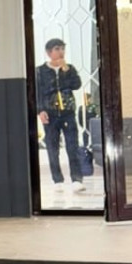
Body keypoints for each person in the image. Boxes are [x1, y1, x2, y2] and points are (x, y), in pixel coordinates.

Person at [36, 38, 85, 192]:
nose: (61, 52)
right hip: (50, 113)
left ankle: (77, 179)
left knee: (72, 145)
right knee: (52, 147)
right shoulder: (40, 71)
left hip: (68, 112)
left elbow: (76, 85)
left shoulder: (69, 69)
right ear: (49, 52)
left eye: (63, 48)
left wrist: (65, 71)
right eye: (57, 49)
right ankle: (57, 180)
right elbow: (37, 92)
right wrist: (40, 110)